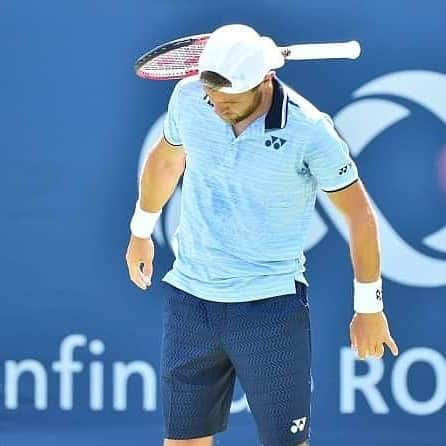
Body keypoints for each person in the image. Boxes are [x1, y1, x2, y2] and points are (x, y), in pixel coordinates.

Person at [125, 24, 399, 446]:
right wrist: (140, 230)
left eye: (229, 101)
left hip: (270, 309)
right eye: (210, 97)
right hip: (191, 301)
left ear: (264, 80)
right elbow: (165, 163)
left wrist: (369, 307)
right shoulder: (188, 98)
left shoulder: (311, 132)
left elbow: (360, 215)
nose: (216, 107)